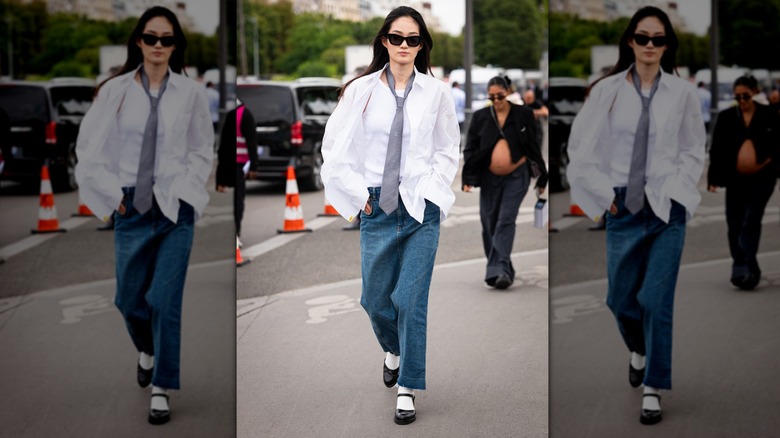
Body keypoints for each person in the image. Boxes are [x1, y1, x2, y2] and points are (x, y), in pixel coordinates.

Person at [566, 6, 705, 425]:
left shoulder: (682, 93)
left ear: (667, 45)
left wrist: (680, 191)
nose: (649, 45)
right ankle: (639, 350)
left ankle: (653, 387)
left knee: (656, 301)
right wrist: (602, 196)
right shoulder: (607, 90)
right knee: (620, 299)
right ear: (630, 41)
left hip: (667, 207)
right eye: (642, 37)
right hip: (623, 206)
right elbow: (581, 148)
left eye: (658, 39)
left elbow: (693, 148)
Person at [320, 6, 459, 425]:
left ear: (422, 45)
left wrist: (434, 189)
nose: (403, 45)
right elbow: (335, 147)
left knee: (411, 301)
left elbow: (447, 148)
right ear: (384, 41)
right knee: (375, 300)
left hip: (421, 205)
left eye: (412, 39)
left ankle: (408, 387)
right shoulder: (360, 90)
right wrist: (356, 195)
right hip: (376, 204)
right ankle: (394, 349)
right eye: (396, 38)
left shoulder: (437, 93)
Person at [75, 6, 214, 425]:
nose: (157, 46)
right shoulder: (115, 90)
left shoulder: (189, 93)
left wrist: (189, 191)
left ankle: (162, 387)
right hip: (131, 206)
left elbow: (200, 148)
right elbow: (89, 149)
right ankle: (147, 350)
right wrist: (112, 196)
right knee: (128, 299)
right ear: (138, 41)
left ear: (175, 45)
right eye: (150, 38)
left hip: (175, 208)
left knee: (164, 301)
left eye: (166, 39)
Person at [462, 76, 547, 289]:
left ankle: (498, 269)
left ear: (508, 92)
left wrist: (542, 177)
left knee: (505, 220)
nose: (496, 100)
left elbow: (534, 146)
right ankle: (504, 268)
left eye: (500, 96)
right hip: (489, 177)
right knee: (488, 223)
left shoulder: (524, 114)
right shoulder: (482, 116)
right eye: (492, 97)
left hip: (517, 176)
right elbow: (470, 148)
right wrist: (468, 178)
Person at [707, 75, 780, 290]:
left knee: (751, 220)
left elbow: (778, 144)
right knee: (734, 224)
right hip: (735, 179)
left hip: (763, 179)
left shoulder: (769, 115)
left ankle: (740, 267)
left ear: (755, 92)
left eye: (745, 96)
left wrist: (769, 162)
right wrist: (713, 179)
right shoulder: (727, 116)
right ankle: (750, 268)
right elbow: (717, 149)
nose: (741, 100)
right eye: (737, 96)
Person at [217, 99, 258, 242]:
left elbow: (251, 142)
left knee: (237, 200)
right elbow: (224, 146)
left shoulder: (243, 114)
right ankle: (235, 233)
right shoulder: (240, 114)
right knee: (236, 200)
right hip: (235, 164)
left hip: (240, 164)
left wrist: (253, 166)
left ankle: (236, 232)